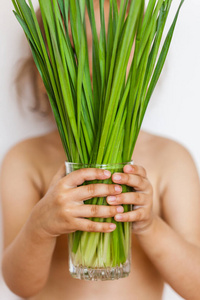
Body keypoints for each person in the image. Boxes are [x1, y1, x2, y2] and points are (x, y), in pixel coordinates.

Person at [1, 1, 200, 300]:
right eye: (75, 50)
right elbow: (21, 285)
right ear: (43, 73)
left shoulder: (170, 158)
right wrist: (40, 227)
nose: (95, 67)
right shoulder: (25, 159)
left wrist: (149, 225)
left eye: (114, 50)